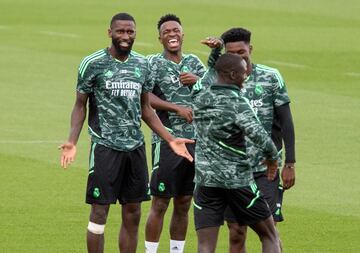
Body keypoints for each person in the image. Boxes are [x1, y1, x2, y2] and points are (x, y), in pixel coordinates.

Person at [59, 13, 194, 253]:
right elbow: (80, 104)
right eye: (120, 31)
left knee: (133, 213)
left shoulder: (142, 64)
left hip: (135, 148)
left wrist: (170, 139)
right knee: (99, 212)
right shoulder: (93, 63)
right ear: (109, 33)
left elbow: (146, 108)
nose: (125, 36)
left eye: (130, 32)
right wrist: (72, 140)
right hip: (105, 147)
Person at [192, 52, 281, 253]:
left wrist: (214, 54)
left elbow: (207, 78)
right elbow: (261, 138)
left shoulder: (199, 97)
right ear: (232, 75)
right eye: (243, 73)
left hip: (206, 181)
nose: (246, 76)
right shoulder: (237, 102)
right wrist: (273, 159)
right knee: (269, 235)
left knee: (205, 245)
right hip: (238, 181)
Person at [218, 28, 296, 253]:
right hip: (231, 171)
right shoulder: (218, 81)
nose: (237, 58)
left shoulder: (270, 77)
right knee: (236, 230)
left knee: (268, 228)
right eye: (231, 53)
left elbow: (286, 121)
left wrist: (290, 163)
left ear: (250, 49)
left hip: (265, 169)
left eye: (241, 52)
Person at [144, 14, 206, 253]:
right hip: (167, 140)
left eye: (176, 30)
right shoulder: (153, 64)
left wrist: (198, 80)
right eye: (167, 31)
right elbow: (145, 97)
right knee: (160, 202)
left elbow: (214, 89)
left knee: (184, 201)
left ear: (183, 34)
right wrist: (176, 108)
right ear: (160, 37)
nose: (172, 34)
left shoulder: (194, 62)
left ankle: (176, 251)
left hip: (196, 140)